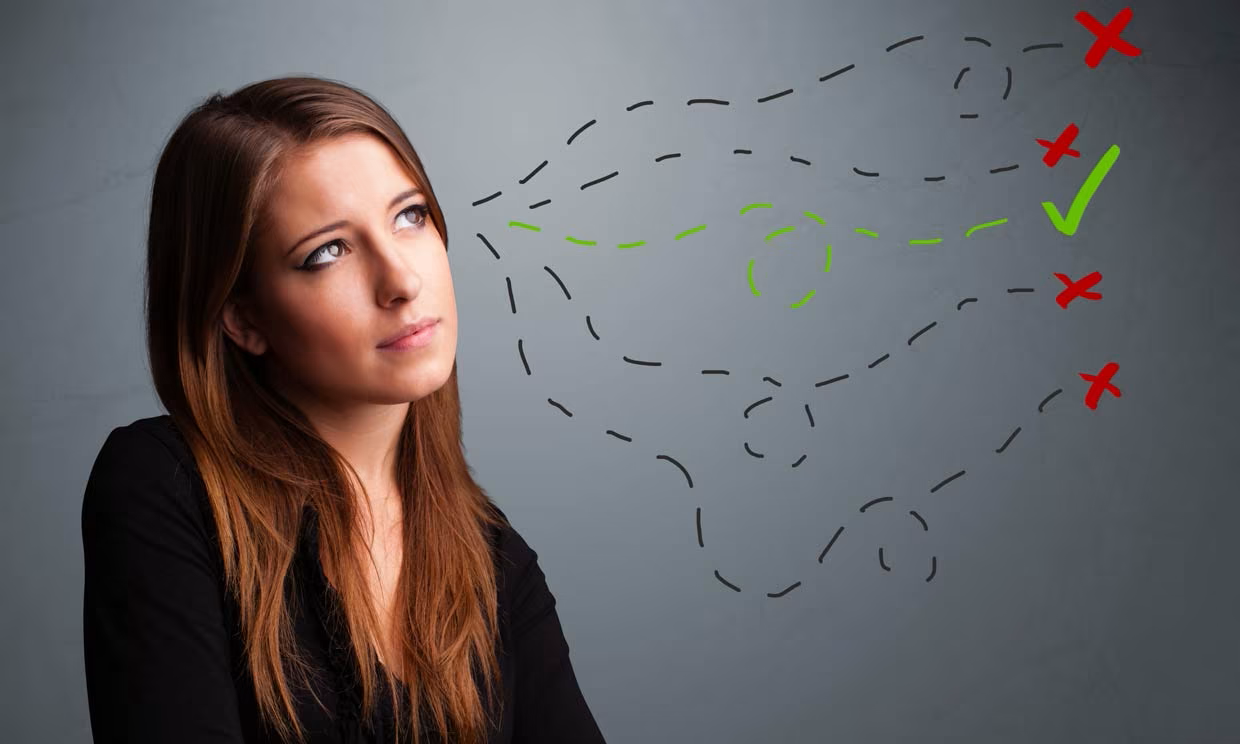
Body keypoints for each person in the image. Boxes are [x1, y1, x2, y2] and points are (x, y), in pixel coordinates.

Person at [80, 75, 607, 744]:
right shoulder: (167, 487)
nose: (402, 280)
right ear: (243, 318)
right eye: (328, 252)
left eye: (410, 216)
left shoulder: (494, 559)